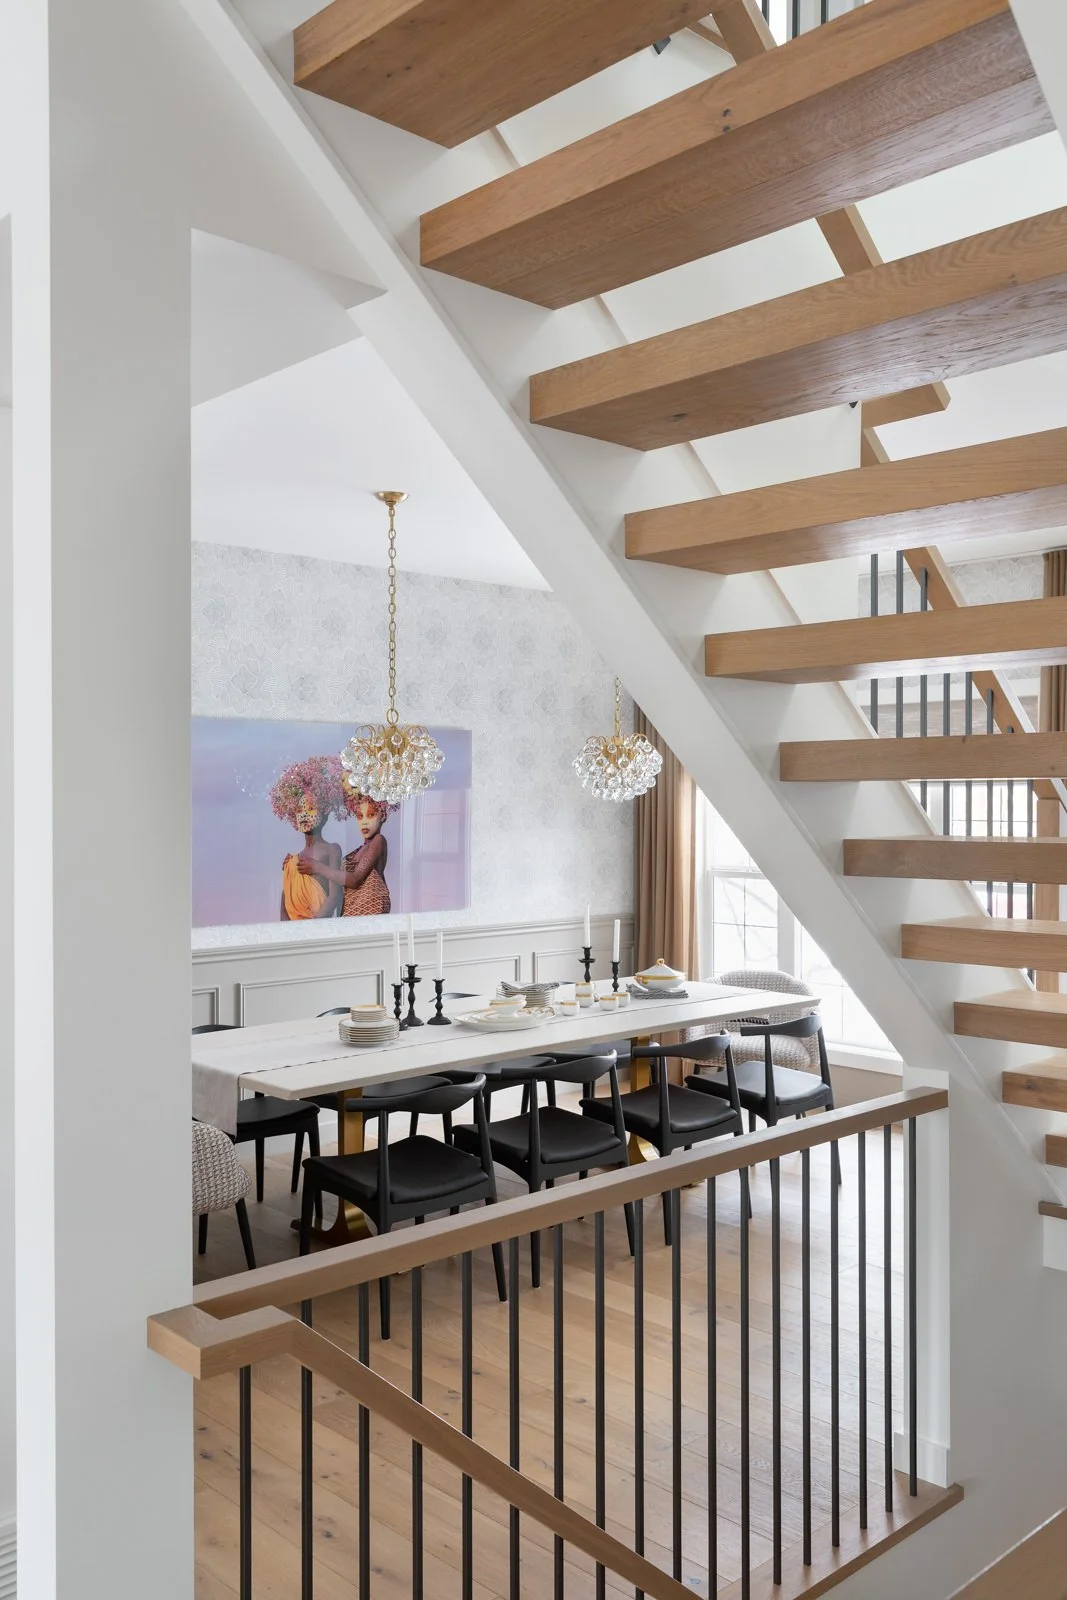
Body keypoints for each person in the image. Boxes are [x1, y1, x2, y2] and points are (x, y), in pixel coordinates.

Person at [269, 756, 347, 920]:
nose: (304, 814)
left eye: (311, 809)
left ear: (324, 813)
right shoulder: (291, 862)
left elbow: (335, 895)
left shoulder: (332, 849)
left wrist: (314, 928)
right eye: (299, 810)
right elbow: (284, 905)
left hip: (318, 929)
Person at [298, 791, 398, 915]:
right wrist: (293, 862)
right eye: (360, 816)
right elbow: (335, 879)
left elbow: (354, 880)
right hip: (350, 915)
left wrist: (317, 867)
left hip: (369, 916)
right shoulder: (356, 852)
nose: (364, 822)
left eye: (370, 815)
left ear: (383, 816)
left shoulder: (378, 841)